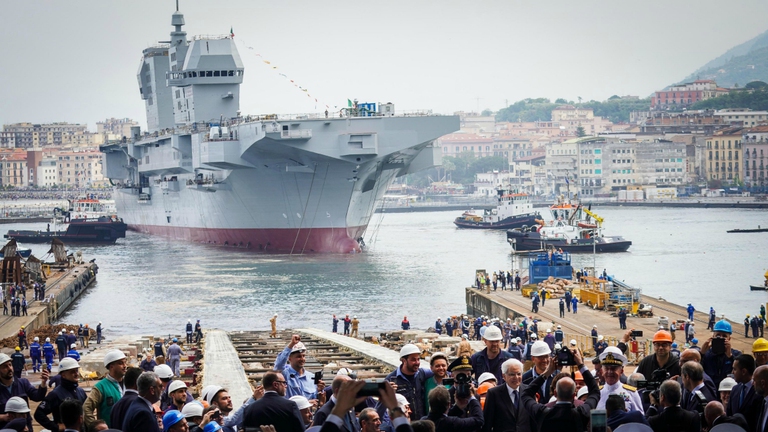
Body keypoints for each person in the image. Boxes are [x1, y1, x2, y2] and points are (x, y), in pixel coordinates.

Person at [521, 346, 598, 432]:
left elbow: (526, 394)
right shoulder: (582, 413)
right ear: (574, 395)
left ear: (555, 393)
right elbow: (595, 391)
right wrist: (580, 365)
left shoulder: (542, 412)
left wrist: (547, 373)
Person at [319, 380, 410, 432]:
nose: (379, 423)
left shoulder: (349, 412)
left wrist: (339, 409)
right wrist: (394, 407)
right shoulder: (323, 412)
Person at [34, 357, 87, 432]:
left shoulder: (80, 391)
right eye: (72, 372)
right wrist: (55, 427)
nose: (76, 374)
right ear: (63, 375)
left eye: (76, 371)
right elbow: (39, 414)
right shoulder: (55, 394)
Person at [0, 352, 49, 431]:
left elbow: (37, 397)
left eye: (10, 365)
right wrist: (4, 417)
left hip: (25, 428)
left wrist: (43, 383)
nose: (9, 368)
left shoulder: (23, 383)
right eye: (5, 366)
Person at [482, 358, 532, 432]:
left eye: (519, 374)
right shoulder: (494, 394)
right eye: (512, 374)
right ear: (504, 376)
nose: (516, 377)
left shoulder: (529, 391)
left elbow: (533, 420)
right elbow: (487, 423)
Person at [386, 343, 433, 420]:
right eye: (413, 360)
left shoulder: (422, 373)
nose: (417, 362)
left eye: (418, 359)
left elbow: (437, 372)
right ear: (404, 360)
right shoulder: (391, 379)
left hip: (422, 423)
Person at [274, 335, 326, 403]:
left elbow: (317, 400)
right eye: (298, 356)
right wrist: (291, 344)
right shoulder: (284, 375)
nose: (302, 359)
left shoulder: (311, 377)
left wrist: (319, 391)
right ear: (290, 358)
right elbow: (278, 365)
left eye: (303, 356)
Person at [83, 349, 127, 429]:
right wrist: (96, 428)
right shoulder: (101, 387)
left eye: (125, 362)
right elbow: (87, 408)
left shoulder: (129, 384)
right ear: (111, 366)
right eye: (120, 363)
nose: (125, 366)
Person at [597, 347, 643, 413]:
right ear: (602, 371)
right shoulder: (597, 393)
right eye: (607, 368)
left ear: (621, 371)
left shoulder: (631, 393)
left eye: (613, 368)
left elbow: (639, 418)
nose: (610, 372)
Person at [701, 319, 741, 389]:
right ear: (713, 337)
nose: (721, 338)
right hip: (710, 391)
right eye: (718, 335)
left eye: (724, 336)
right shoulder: (707, 355)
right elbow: (697, 371)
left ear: (729, 339)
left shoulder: (737, 355)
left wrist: (730, 357)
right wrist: (701, 354)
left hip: (728, 392)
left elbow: (740, 373)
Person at [726, 354, 762, 431]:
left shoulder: (759, 392)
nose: (732, 372)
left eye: (735, 369)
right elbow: (729, 414)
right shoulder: (735, 389)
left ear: (743, 371)